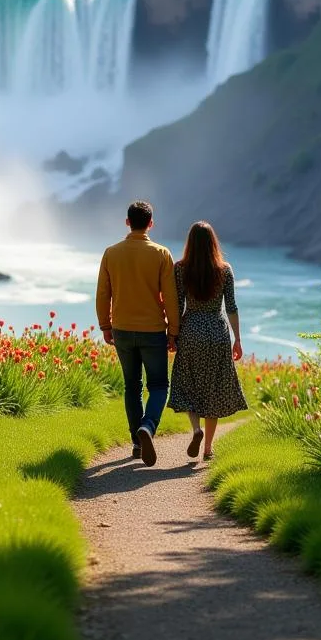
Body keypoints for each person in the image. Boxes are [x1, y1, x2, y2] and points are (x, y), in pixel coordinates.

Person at [95, 200, 179, 467]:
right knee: (158, 386)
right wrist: (174, 331)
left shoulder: (111, 253)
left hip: (121, 329)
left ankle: (136, 441)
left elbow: (102, 294)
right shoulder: (162, 254)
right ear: (151, 224)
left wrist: (105, 326)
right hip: (153, 330)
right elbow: (171, 297)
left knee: (132, 386)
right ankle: (148, 427)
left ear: (127, 222)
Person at [168, 221, 248, 461]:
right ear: (213, 242)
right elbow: (231, 307)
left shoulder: (180, 269)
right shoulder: (224, 270)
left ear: (190, 243)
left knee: (188, 383)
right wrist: (237, 339)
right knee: (213, 390)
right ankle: (208, 450)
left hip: (191, 329)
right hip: (217, 332)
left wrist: (172, 335)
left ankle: (196, 429)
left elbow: (177, 304)